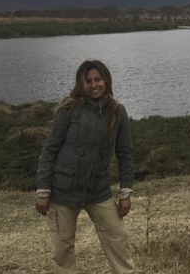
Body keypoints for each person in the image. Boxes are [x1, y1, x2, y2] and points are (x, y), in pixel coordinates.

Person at [35, 60, 135, 274]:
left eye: (97, 79)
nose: (93, 85)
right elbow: (49, 150)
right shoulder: (69, 109)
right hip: (62, 190)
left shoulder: (118, 112)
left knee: (118, 237)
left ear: (106, 80)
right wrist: (43, 190)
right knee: (63, 248)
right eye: (88, 81)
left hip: (98, 189)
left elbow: (125, 153)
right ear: (81, 84)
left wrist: (125, 191)